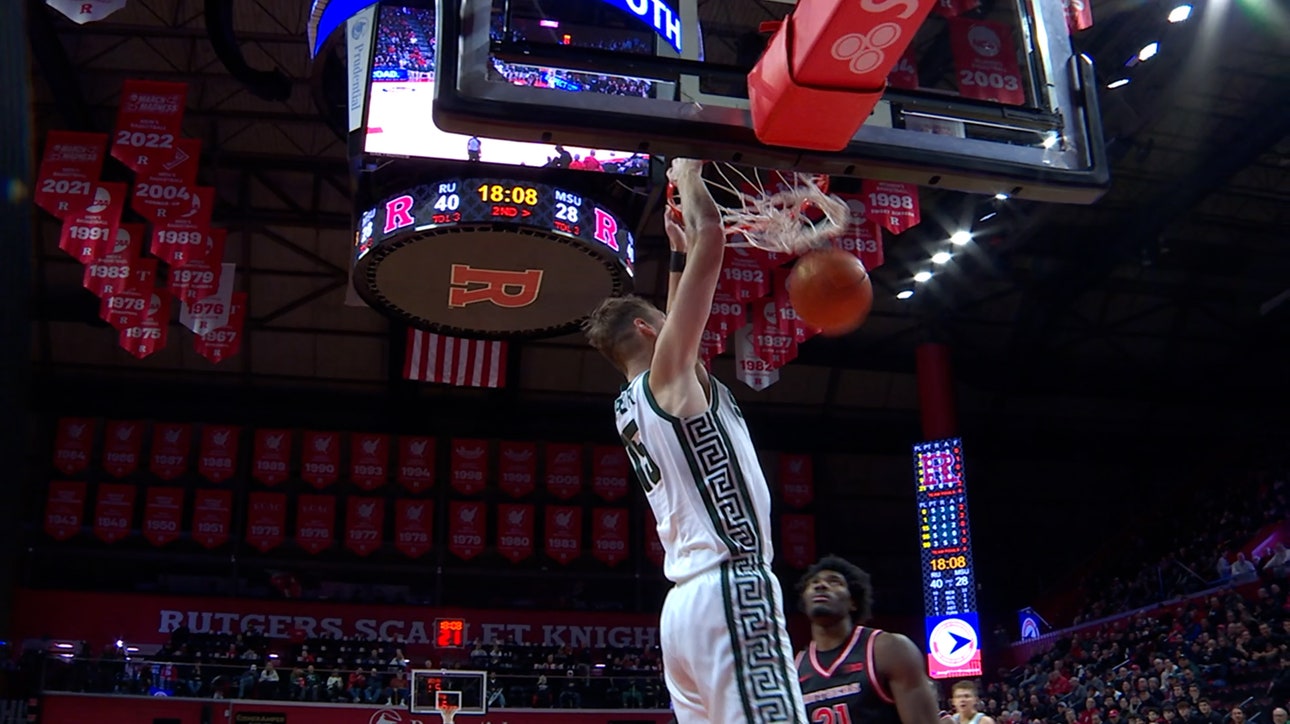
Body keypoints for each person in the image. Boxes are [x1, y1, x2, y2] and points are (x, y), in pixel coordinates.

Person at [582, 157, 806, 724]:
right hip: (731, 587)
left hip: (683, 611)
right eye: (665, 316)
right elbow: (713, 239)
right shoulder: (668, 377)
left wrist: (675, 257)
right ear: (648, 332)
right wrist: (688, 175)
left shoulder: (633, 404)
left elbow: (680, 316)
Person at [796, 555, 941, 724]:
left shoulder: (889, 650)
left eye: (834, 582)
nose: (821, 586)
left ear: (853, 602)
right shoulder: (796, 667)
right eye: (814, 583)